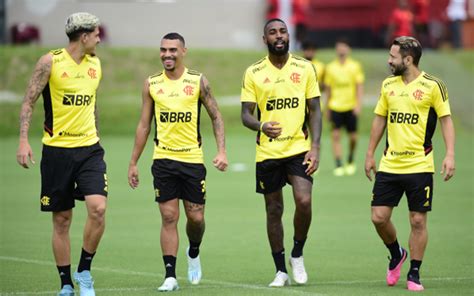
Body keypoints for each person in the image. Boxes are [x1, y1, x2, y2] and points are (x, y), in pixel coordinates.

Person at [128, 32, 228, 292]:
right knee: (169, 216)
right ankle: (170, 275)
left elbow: (216, 116)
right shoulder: (151, 83)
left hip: (193, 160)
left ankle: (193, 252)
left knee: (195, 218)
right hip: (163, 160)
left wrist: (221, 151)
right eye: (163, 50)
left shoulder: (197, 81)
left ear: (183, 51)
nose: (167, 55)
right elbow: (143, 125)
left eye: (173, 50)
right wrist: (133, 162)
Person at [16, 12, 106, 296]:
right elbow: (29, 101)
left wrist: (97, 132)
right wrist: (23, 141)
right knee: (62, 219)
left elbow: (91, 104)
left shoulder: (95, 64)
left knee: (98, 209)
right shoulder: (50, 62)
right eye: (96, 34)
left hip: (90, 150)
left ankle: (85, 271)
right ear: (84, 36)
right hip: (57, 152)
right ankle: (66, 283)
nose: (99, 38)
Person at [365, 36, 455, 291]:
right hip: (390, 164)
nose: (389, 60)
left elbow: (446, 120)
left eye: (393, 56)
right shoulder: (388, 85)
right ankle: (396, 253)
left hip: (420, 165)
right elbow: (379, 119)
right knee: (378, 217)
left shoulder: (433, 86)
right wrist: (370, 153)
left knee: (417, 220)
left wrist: (450, 154)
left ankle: (414, 272)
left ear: (408, 59)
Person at [241, 18, 322, 287]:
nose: (279, 36)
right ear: (264, 39)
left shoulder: (305, 67)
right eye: (273, 32)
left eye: (283, 31)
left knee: (305, 201)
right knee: (273, 209)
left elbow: (316, 110)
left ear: (289, 36)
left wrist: (316, 146)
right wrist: (261, 125)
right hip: (268, 152)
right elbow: (246, 115)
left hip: (299, 148)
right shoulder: (254, 72)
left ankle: (297, 254)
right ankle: (280, 270)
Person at [324, 38, 364, 176]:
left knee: (353, 137)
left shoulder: (355, 66)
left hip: (350, 106)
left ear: (348, 49)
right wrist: (327, 107)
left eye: (344, 47)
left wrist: (358, 104)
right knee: (335, 135)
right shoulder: (330, 67)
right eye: (339, 47)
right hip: (335, 106)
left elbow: (359, 86)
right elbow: (328, 89)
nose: (341, 50)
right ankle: (339, 164)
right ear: (336, 50)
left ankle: (351, 159)